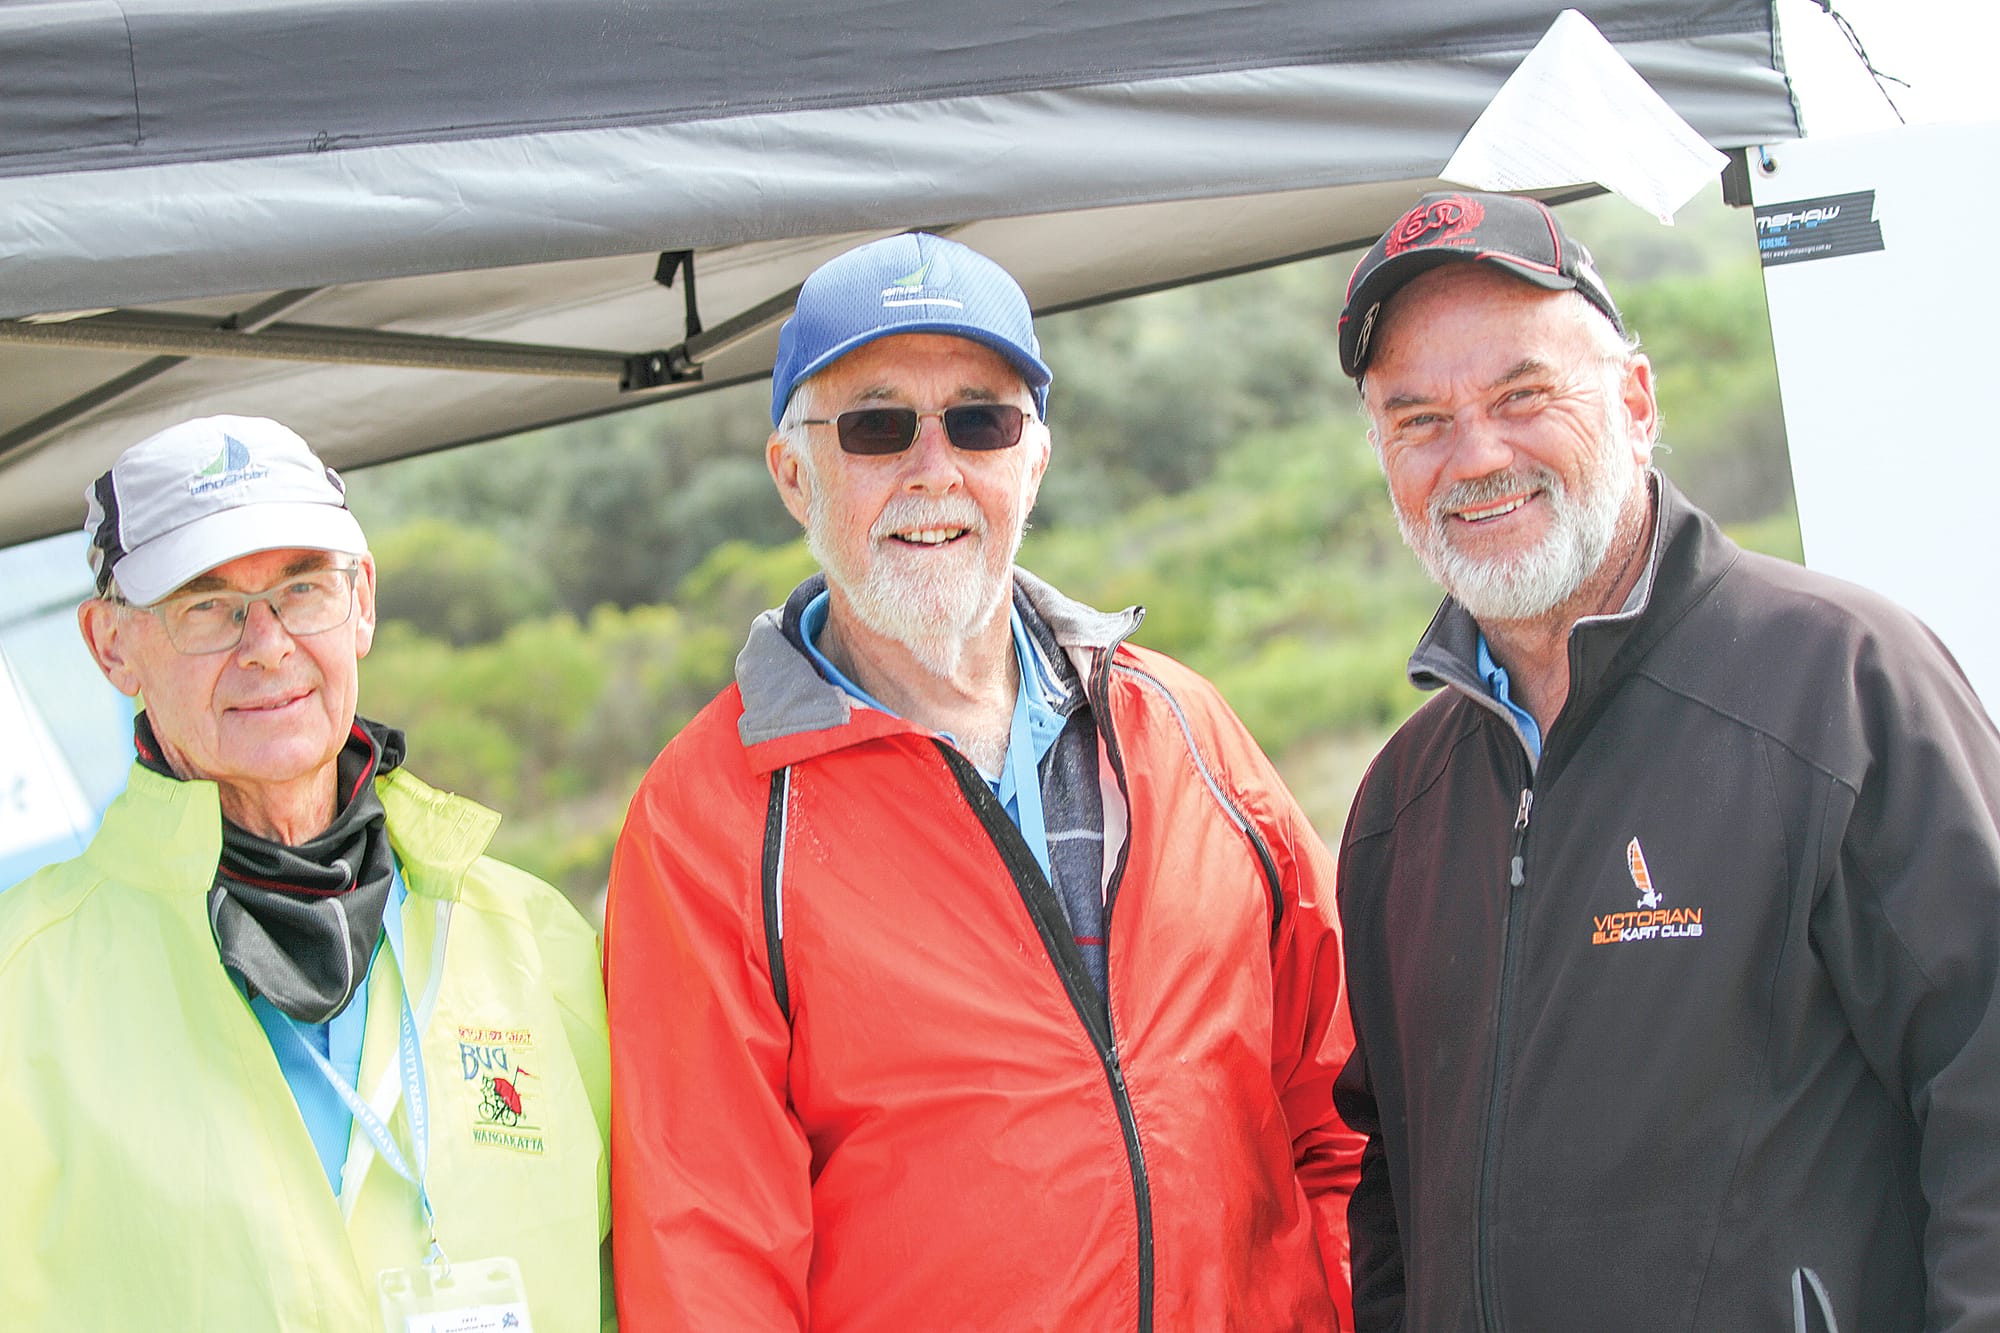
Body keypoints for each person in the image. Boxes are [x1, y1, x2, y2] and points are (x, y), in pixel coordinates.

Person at [607, 232, 1364, 1330]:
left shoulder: (1181, 725)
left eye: (979, 420)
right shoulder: (707, 821)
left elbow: (1340, 1103)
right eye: (874, 426)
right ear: (790, 473)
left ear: (1033, 460)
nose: (933, 469)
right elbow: (706, 1259)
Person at [1330, 190, 2000, 1330]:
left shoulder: (1837, 684)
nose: (1475, 454)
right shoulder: (1400, 803)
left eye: (1521, 395)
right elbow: (1391, 1196)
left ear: (1633, 401)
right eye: (1418, 419)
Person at [0, 416, 612, 1331]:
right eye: (207, 605)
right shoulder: (23, 983)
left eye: (302, 588)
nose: (268, 643)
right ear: (110, 645)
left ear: (361, 602)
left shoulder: (534, 936)